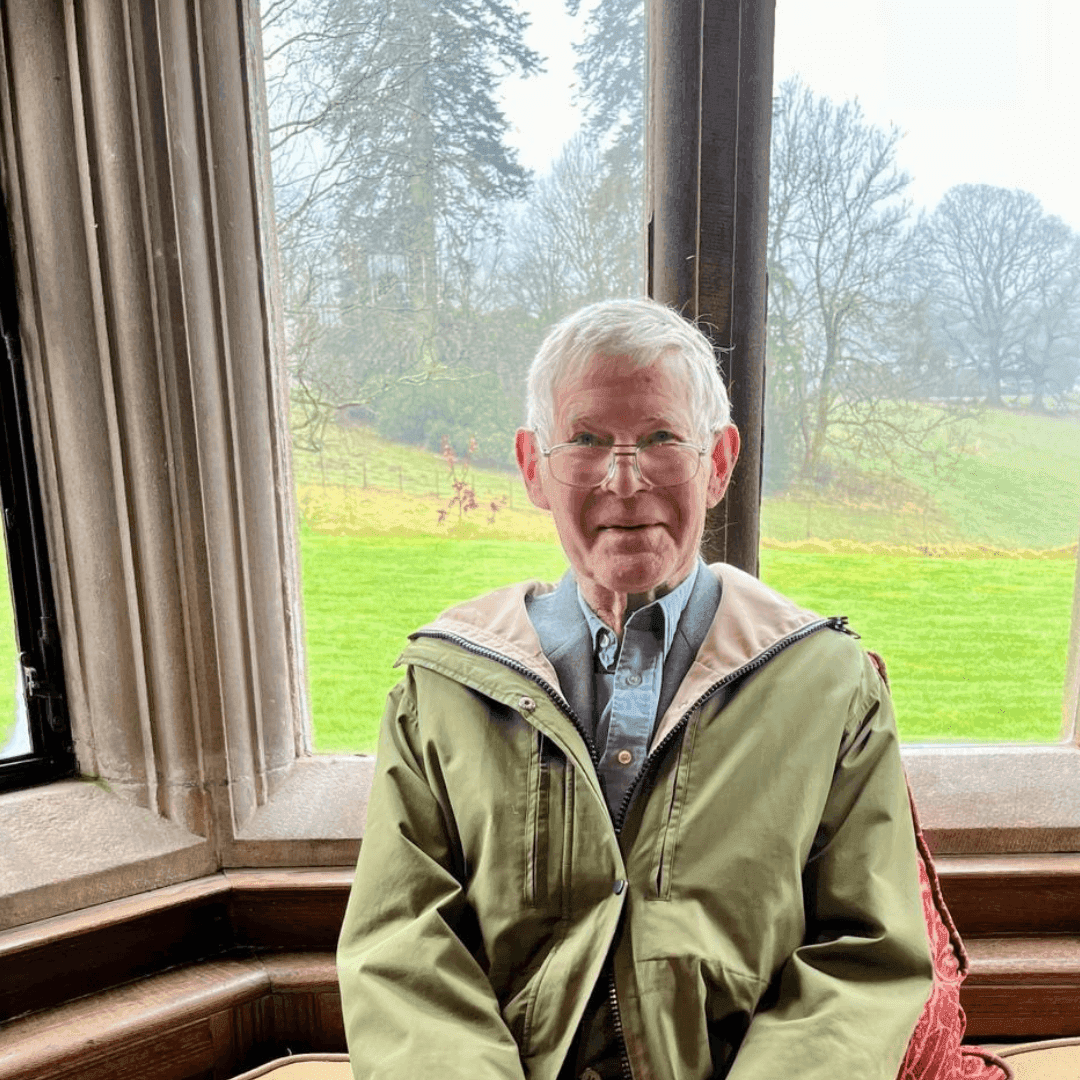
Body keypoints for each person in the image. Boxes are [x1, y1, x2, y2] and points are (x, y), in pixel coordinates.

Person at [337, 298, 933, 1080]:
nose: (625, 479)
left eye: (661, 438)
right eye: (586, 439)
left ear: (717, 463)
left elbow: (866, 958)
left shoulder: (828, 686)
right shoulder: (441, 689)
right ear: (532, 467)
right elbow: (401, 952)